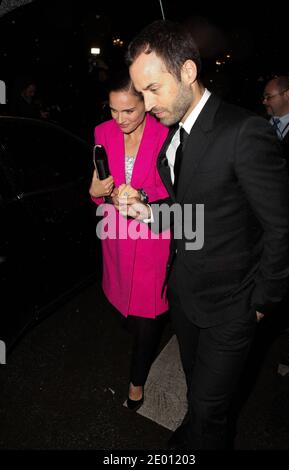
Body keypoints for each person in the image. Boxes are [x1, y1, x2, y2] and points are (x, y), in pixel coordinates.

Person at [116, 20, 289, 449]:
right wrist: (146, 211)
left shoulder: (243, 132)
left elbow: (283, 227)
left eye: (153, 89)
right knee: (197, 393)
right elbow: (190, 211)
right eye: (139, 92)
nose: (145, 103)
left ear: (188, 73)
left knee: (211, 412)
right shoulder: (173, 134)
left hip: (233, 306)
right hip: (185, 295)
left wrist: (261, 304)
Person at [89, 69, 170, 410]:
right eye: (113, 110)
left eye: (129, 111)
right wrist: (95, 192)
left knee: (147, 317)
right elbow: (101, 188)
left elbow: (177, 192)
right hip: (118, 239)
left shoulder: (167, 133)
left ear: (146, 104)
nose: (120, 119)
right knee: (126, 309)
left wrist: (141, 196)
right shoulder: (102, 133)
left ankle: (137, 382)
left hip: (154, 238)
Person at [263, 75, 289, 198]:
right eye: (264, 97)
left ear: (287, 95)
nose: (264, 102)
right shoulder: (258, 123)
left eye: (269, 97)